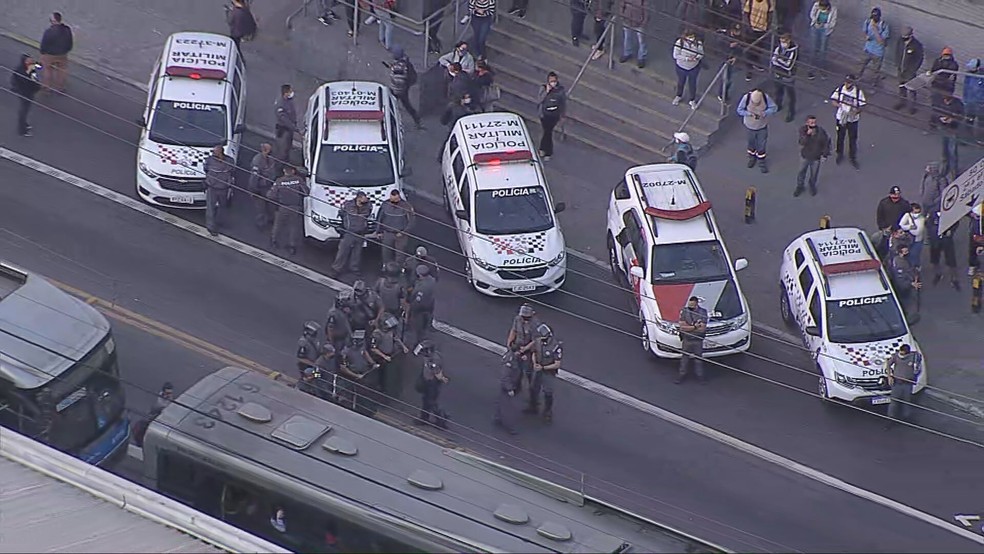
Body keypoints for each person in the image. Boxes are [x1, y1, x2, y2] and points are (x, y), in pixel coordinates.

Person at [267, 164, 309, 255]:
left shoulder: (279, 181)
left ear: (284, 171)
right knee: (294, 227)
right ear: (293, 171)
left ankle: (274, 241)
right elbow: (306, 192)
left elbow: (270, 195)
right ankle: (292, 246)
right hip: (295, 207)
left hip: (282, 206)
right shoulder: (298, 180)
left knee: (277, 225)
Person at [330, 191, 373, 277]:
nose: (366, 199)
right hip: (349, 232)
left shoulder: (368, 206)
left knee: (357, 253)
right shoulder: (348, 205)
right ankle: (337, 269)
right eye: (364, 198)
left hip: (360, 232)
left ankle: (354, 268)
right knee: (343, 252)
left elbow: (368, 215)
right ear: (359, 198)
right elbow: (342, 214)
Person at [736, 89, 778, 173]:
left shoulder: (766, 98)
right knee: (751, 143)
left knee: (761, 145)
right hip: (749, 126)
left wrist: (765, 113)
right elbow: (739, 110)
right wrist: (749, 114)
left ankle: (761, 162)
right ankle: (752, 158)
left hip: (762, 126)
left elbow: (774, 108)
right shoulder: (746, 98)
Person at [528, 323, 562, 422]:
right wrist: (535, 363)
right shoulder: (538, 341)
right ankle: (533, 407)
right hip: (538, 368)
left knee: (548, 392)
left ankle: (547, 412)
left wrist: (543, 367)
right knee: (533, 388)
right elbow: (534, 352)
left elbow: (557, 364)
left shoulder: (555, 346)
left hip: (548, 372)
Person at [829, 74, 866, 169]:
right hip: (841, 117)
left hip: (852, 120)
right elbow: (833, 100)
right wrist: (839, 105)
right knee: (840, 137)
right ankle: (839, 154)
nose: (847, 84)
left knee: (852, 139)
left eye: (849, 82)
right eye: (846, 82)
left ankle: (852, 157)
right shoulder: (841, 89)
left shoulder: (858, 92)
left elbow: (862, 105)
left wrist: (855, 111)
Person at [339, 330, 379, 414]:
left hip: (363, 373)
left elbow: (364, 353)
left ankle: (368, 409)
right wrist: (356, 375)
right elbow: (343, 368)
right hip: (353, 376)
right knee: (353, 394)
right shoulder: (346, 352)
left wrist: (373, 363)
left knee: (366, 392)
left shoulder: (361, 346)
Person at [370, 313, 409, 396]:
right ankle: (380, 386)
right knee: (382, 373)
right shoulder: (377, 334)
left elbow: (396, 338)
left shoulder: (391, 331)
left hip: (390, 354)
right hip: (380, 357)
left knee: (390, 370)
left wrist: (403, 346)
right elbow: (373, 348)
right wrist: (384, 356)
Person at [883, 344, 922, 428]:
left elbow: (918, 366)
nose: (901, 355)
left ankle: (907, 418)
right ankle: (891, 419)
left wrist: (916, 370)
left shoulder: (914, 357)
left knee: (907, 401)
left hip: (908, 383)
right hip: (897, 383)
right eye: (900, 353)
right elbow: (888, 364)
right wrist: (889, 376)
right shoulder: (896, 356)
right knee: (894, 402)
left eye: (903, 354)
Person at [414, 340, 449, 428]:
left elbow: (437, 374)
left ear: (429, 350)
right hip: (427, 381)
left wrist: (443, 378)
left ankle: (441, 420)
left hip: (432, 384)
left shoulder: (434, 359)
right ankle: (424, 419)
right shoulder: (428, 357)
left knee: (431, 402)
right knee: (426, 402)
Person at [506, 303, 541, 390]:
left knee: (528, 370)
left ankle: (531, 387)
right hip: (518, 346)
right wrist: (509, 343)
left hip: (529, 350)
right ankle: (516, 386)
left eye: (527, 318)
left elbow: (535, 340)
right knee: (516, 368)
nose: (524, 320)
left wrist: (525, 349)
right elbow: (513, 330)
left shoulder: (535, 324)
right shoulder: (517, 319)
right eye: (523, 317)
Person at [795, 115, 831, 197]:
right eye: (811, 122)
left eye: (814, 122)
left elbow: (826, 143)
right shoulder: (803, 130)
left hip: (816, 157)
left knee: (814, 174)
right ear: (807, 123)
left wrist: (825, 154)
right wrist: (807, 135)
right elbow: (802, 142)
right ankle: (800, 186)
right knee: (801, 172)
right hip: (805, 156)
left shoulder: (821, 131)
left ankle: (812, 186)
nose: (813, 124)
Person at [386, 47, 422, 129]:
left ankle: (391, 122)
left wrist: (393, 71)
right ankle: (416, 119)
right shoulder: (404, 63)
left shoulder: (399, 66)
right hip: (403, 89)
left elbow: (399, 78)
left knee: (390, 105)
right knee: (406, 105)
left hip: (398, 89)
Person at [377, 189, 415, 265]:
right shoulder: (385, 205)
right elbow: (380, 218)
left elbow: (411, 222)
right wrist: (379, 231)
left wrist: (404, 232)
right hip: (387, 233)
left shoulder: (406, 206)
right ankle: (387, 267)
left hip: (401, 234)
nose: (394, 202)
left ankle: (399, 268)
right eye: (392, 200)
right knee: (386, 252)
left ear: (399, 198)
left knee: (400, 253)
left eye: (396, 200)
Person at [676, 296, 708, 384]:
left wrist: (689, 327)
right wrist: (694, 327)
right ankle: (681, 375)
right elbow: (682, 327)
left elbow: (702, 329)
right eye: (689, 305)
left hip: (698, 340)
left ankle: (700, 376)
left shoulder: (703, 312)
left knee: (698, 359)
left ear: (696, 304)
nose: (690, 307)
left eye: (692, 305)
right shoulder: (685, 311)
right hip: (687, 339)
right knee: (684, 359)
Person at [203, 146, 234, 236]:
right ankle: (211, 227)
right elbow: (205, 169)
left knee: (223, 206)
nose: (213, 153)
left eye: (215, 152)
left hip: (224, 188)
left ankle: (220, 222)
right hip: (212, 187)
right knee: (210, 208)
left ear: (220, 152)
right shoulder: (209, 160)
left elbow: (232, 170)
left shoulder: (230, 161)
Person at [39, 12, 73, 93]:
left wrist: (42, 53)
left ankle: (46, 87)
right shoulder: (67, 29)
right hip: (62, 54)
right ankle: (60, 88)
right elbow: (70, 42)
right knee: (62, 70)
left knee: (47, 69)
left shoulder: (49, 31)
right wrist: (67, 50)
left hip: (49, 55)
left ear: (53, 21)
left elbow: (44, 44)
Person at [537, 72, 567, 161]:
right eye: (551, 81)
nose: (553, 83)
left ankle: (545, 150)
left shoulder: (560, 90)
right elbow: (539, 99)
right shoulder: (543, 88)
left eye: (554, 81)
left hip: (554, 115)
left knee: (548, 132)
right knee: (547, 132)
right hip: (544, 114)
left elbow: (563, 103)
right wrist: (546, 91)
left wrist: (563, 115)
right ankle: (544, 150)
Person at [893, 27, 923, 114]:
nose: (903, 38)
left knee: (912, 89)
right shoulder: (900, 41)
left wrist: (913, 69)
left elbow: (919, 58)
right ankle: (902, 102)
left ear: (910, 35)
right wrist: (897, 64)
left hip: (910, 71)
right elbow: (897, 52)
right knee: (901, 87)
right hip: (900, 69)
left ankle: (912, 106)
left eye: (905, 36)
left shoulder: (917, 45)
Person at [932, 95, 963, 180]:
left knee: (952, 151)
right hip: (943, 128)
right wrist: (940, 118)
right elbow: (935, 112)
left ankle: (953, 172)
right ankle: (943, 170)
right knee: (944, 150)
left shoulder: (957, 103)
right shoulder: (939, 100)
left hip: (953, 129)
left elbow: (961, 115)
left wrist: (953, 119)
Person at [10, 54, 42, 137]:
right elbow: (30, 83)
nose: (31, 60)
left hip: (27, 92)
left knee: (25, 109)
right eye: (29, 60)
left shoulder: (27, 67)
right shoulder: (23, 72)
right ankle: (22, 129)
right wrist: (37, 87)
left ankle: (24, 124)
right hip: (25, 93)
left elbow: (39, 67)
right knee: (24, 110)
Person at [672, 29, 704, 110]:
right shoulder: (680, 42)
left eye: (692, 37)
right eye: (689, 37)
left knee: (692, 84)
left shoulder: (698, 43)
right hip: (681, 67)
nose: (691, 39)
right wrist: (686, 58)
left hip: (694, 67)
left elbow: (701, 53)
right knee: (681, 82)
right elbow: (675, 55)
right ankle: (678, 96)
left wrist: (697, 58)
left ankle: (692, 100)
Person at [927, 212, 960, 289]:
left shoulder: (949, 214)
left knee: (951, 260)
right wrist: (936, 231)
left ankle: (954, 279)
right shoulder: (932, 215)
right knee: (935, 259)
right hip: (935, 240)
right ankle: (938, 274)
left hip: (947, 241)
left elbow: (956, 222)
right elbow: (928, 225)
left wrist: (951, 231)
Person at [770, 32, 798, 122]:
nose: (782, 44)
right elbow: (773, 60)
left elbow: (788, 65)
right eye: (781, 41)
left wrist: (778, 60)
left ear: (789, 41)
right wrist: (779, 61)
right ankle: (778, 105)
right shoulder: (779, 48)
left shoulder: (793, 51)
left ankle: (791, 112)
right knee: (778, 91)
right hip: (778, 74)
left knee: (790, 95)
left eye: (784, 41)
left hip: (788, 76)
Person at [857, 6, 888, 86]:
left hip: (878, 52)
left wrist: (875, 30)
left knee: (875, 70)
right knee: (861, 65)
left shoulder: (884, 25)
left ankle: (873, 83)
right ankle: (857, 77)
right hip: (868, 49)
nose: (873, 19)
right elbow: (864, 31)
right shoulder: (868, 21)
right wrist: (866, 36)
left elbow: (881, 41)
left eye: (875, 17)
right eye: (873, 17)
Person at [248, 143, 277, 229]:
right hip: (260, 188)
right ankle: (260, 224)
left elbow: (273, 172)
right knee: (261, 207)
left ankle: (270, 219)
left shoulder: (271, 159)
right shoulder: (257, 160)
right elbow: (254, 177)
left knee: (270, 205)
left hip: (269, 186)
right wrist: (254, 189)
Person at [493, 350, 522, 435]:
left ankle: (497, 417)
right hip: (508, 386)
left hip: (511, 384)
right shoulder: (510, 360)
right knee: (508, 407)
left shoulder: (515, 357)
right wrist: (509, 389)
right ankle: (510, 427)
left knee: (501, 402)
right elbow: (505, 376)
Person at [889, 244, 921, 319]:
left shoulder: (904, 260)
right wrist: (911, 284)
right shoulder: (899, 263)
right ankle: (910, 316)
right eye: (905, 252)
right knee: (908, 302)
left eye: (907, 251)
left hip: (911, 282)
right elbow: (900, 279)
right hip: (906, 287)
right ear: (900, 253)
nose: (907, 253)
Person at [407, 264, 437, 345]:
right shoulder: (432, 280)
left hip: (420, 308)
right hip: (430, 304)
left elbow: (415, 297)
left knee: (418, 325)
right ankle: (427, 327)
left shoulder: (420, 286)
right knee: (427, 319)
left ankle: (419, 340)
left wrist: (411, 305)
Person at [807, 0, 836, 80]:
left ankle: (822, 70)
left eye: (823, 8)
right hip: (815, 28)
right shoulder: (816, 5)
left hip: (825, 31)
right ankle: (811, 69)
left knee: (823, 51)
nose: (821, 9)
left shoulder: (833, 10)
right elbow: (812, 14)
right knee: (814, 49)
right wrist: (816, 21)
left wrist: (824, 24)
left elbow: (833, 22)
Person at [742, 0, 773, 74]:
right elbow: (746, 15)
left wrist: (768, 26)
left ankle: (756, 61)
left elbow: (770, 14)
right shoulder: (751, 2)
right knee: (750, 49)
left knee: (759, 48)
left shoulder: (768, 2)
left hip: (762, 29)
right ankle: (749, 69)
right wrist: (748, 27)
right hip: (752, 29)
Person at [274, 84, 299, 169]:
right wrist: (295, 128)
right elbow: (285, 120)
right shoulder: (280, 104)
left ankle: (286, 164)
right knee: (283, 151)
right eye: (290, 91)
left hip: (289, 130)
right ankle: (281, 168)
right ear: (285, 93)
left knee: (287, 148)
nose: (292, 93)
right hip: (284, 130)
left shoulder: (288, 100)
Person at [619, 0, 648, 69]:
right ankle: (627, 53)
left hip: (639, 21)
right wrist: (622, 15)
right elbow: (622, 5)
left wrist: (644, 21)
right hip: (627, 19)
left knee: (641, 41)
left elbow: (646, 10)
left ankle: (641, 58)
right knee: (627, 37)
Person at [899, 203, 926, 269]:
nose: (917, 213)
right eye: (915, 212)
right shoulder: (907, 215)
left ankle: (916, 266)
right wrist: (910, 227)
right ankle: (910, 267)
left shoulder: (922, 217)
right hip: (910, 239)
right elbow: (901, 225)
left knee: (916, 254)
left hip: (919, 239)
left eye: (919, 211)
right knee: (911, 254)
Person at [964, 59, 984, 138]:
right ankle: (967, 136)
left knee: (981, 122)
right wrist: (965, 99)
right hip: (970, 101)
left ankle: (981, 139)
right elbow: (966, 87)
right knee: (969, 120)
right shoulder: (969, 75)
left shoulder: (981, 76)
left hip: (980, 103)